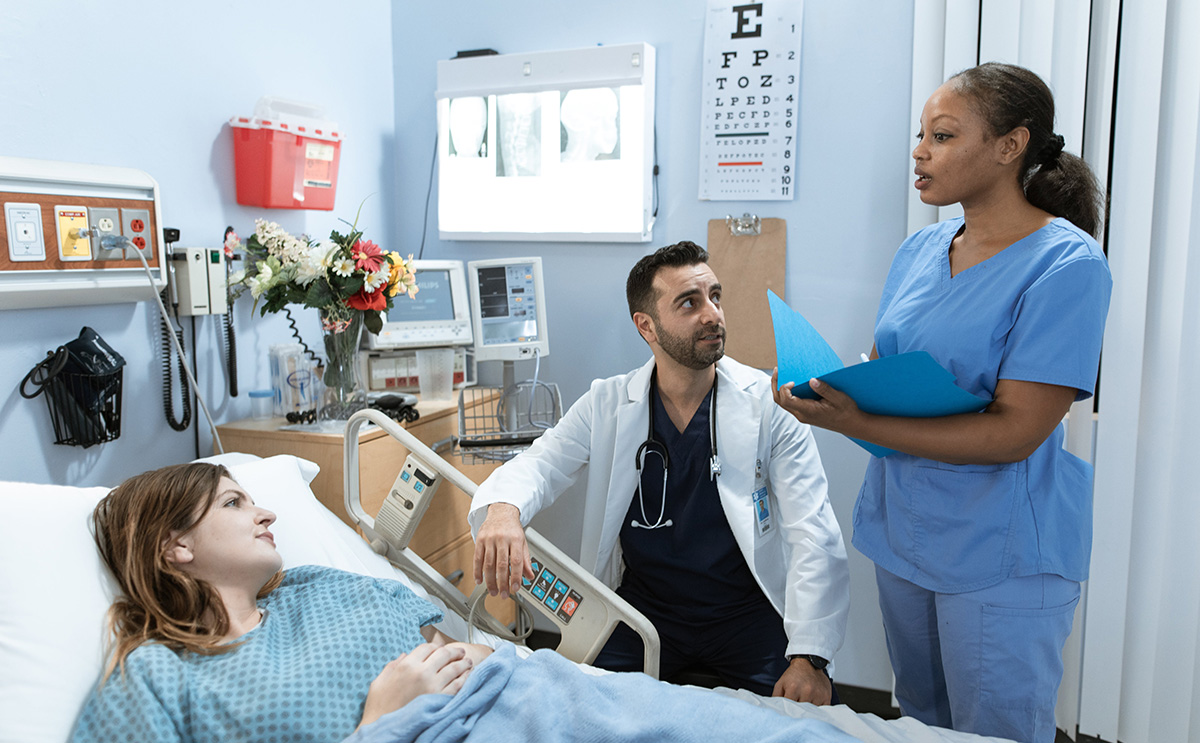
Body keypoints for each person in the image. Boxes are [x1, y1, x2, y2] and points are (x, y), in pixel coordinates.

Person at [771, 63, 1112, 743]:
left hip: (1000, 551)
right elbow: (890, 361)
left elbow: (1016, 431)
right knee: (922, 723)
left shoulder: (1067, 266)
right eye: (920, 135)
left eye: (944, 135)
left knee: (995, 730)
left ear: (1011, 145)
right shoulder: (922, 248)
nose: (921, 151)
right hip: (905, 531)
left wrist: (858, 420)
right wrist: (840, 387)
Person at [69, 462, 859, 743]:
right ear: (176, 545)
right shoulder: (159, 681)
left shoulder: (321, 586)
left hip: (533, 698)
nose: (268, 512)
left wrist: (499, 653)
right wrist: (380, 723)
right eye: (238, 504)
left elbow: (463, 639)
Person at [471, 241, 849, 704]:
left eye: (715, 296)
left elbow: (813, 531)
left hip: (746, 617)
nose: (712, 314)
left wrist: (810, 658)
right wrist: (503, 510)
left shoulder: (770, 404)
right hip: (644, 616)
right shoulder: (609, 403)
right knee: (583, 713)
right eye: (690, 303)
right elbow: (541, 463)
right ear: (646, 326)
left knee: (789, 725)